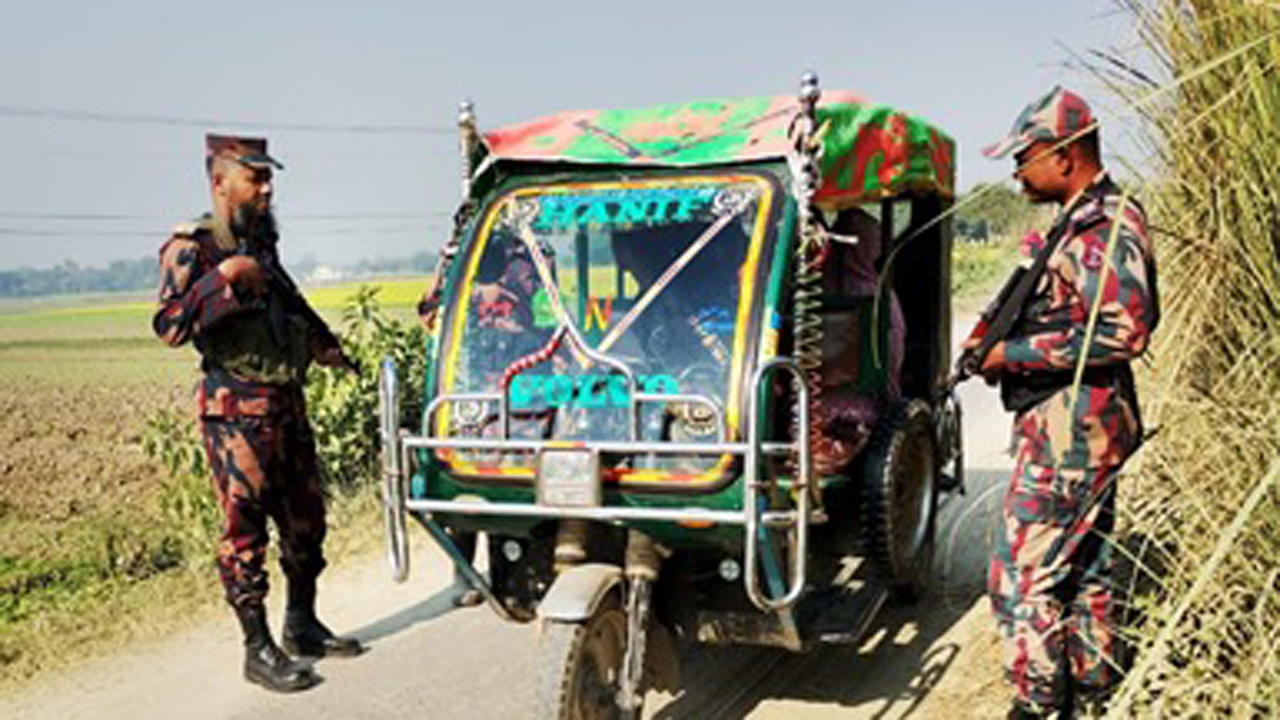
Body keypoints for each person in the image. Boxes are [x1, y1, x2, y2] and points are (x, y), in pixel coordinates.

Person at [969, 87, 1159, 719]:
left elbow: (1125, 329)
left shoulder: (1107, 222)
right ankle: (1092, 693)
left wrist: (1012, 355)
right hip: (1073, 426)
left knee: (1021, 578)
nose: (1018, 170)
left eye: (1026, 155)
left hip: (1074, 433)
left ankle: (1039, 704)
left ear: (1067, 154)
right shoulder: (1075, 220)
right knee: (1084, 572)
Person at [153, 134, 365, 693]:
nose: (268, 190)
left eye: (270, 179)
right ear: (221, 181)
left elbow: (290, 300)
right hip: (236, 414)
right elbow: (170, 326)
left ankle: (303, 626)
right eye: (257, 179)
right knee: (245, 536)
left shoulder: (260, 244)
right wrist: (222, 280)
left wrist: (325, 346)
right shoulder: (190, 248)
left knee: (307, 522)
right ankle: (258, 649)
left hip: (285, 402)